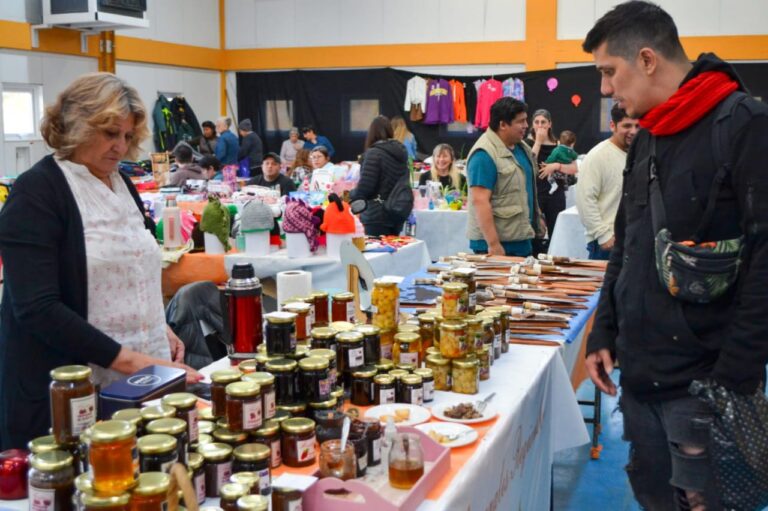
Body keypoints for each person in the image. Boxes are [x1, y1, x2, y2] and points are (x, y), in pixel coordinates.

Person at [582, 2, 768, 509]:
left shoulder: (744, 124)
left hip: (704, 386)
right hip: (640, 378)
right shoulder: (650, 134)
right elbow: (627, 242)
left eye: (608, 72)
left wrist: (731, 377)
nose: (605, 90)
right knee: (654, 499)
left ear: (646, 60)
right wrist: (604, 330)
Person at [0, 73, 202, 449]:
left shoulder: (120, 183)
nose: (120, 146)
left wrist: (157, 326)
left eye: (127, 137)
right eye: (110, 133)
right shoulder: (37, 193)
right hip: (75, 390)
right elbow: (38, 308)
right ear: (77, 126)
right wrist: (131, 361)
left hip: (142, 376)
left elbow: (131, 265)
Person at [466, 97, 545, 256]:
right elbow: (480, 201)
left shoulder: (522, 147)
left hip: (521, 240)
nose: (526, 125)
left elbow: (525, 190)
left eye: (525, 120)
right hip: (498, 247)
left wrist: (537, 219)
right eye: (520, 121)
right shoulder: (484, 154)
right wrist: (494, 245)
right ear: (502, 124)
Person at [575, 105, 639, 260]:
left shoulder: (638, 154)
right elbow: (585, 200)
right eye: (627, 126)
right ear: (612, 126)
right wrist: (603, 236)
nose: (633, 131)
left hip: (632, 241)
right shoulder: (598, 156)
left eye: (637, 126)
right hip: (608, 245)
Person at [350, 116, 409, 236]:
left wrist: (349, 195)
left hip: (376, 214)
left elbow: (366, 187)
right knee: (393, 250)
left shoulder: (373, 154)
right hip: (396, 212)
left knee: (377, 252)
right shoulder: (401, 153)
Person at [526, 109, 577, 249]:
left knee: (556, 231)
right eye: (536, 122)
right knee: (535, 231)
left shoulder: (559, 144)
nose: (540, 125)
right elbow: (528, 163)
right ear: (532, 124)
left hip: (556, 194)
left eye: (543, 122)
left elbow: (574, 168)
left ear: (550, 124)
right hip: (536, 193)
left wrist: (556, 166)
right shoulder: (527, 144)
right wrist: (538, 142)